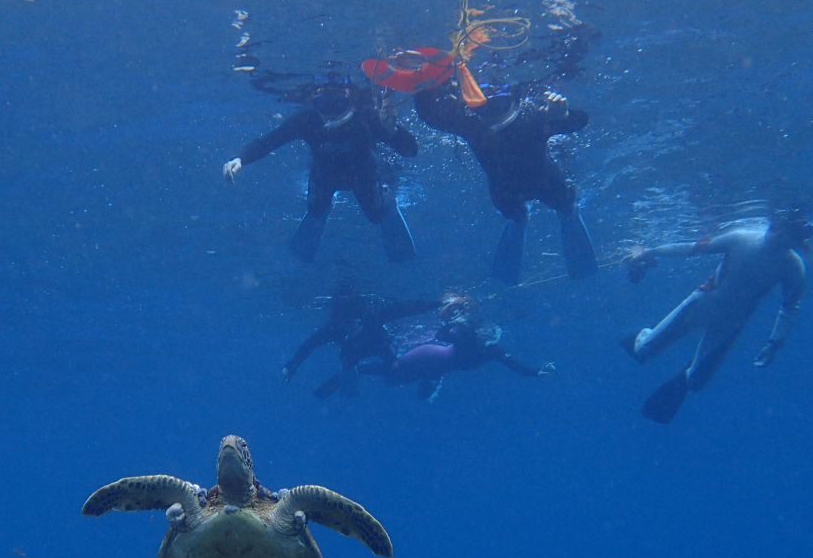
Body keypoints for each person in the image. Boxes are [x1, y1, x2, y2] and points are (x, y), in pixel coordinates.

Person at [621, 211, 813, 423]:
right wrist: (649, 252)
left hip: (731, 324)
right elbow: (692, 248)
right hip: (699, 306)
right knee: (643, 351)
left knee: (695, 383)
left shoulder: (793, 266)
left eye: (796, 237)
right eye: (789, 233)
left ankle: (689, 366)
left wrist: (774, 344)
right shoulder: (742, 238)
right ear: (778, 227)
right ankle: (645, 334)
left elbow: (790, 307)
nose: (786, 240)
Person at [414, 83, 597, 284]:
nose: (492, 114)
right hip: (510, 189)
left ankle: (564, 213)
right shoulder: (471, 124)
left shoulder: (531, 116)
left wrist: (563, 116)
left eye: (499, 104)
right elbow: (431, 116)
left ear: (514, 102)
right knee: (514, 213)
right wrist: (425, 85)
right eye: (482, 106)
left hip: (542, 182)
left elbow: (581, 121)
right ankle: (527, 219)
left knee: (564, 204)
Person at [224, 75, 419, 263]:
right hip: (326, 175)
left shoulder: (366, 116)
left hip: (362, 174)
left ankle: (388, 197)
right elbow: (267, 142)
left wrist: (392, 130)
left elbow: (410, 150)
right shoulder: (306, 120)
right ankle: (346, 201)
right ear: (314, 103)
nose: (331, 112)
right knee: (316, 210)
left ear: (350, 101)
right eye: (323, 105)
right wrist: (240, 158)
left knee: (376, 215)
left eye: (337, 105)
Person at [282, 293, 464, 398]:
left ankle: (418, 376)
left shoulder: (374, 317)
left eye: (354, 324)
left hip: (379, 344)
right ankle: (349, 368)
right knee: (348, 360)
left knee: (393, 364)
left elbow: (407, 308)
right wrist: (292, 366)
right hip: (353, 350)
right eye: (346, 325)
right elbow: (309, 345)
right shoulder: (333, 329)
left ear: (361, 320)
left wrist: (441, 303)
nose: (350, 327)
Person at [360, 306, 554, 401]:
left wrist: (537, 372)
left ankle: (361, 369)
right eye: (486, 332)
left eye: (493, 334)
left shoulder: (493, 350)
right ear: (479, 331)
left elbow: (515, 366)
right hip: (426, 357)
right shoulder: (466, 339)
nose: (490, 337)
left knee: (412, 390)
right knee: (390, 373)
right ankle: (354, 367)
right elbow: (440, 334)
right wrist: (454, 320)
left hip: (435, 369)